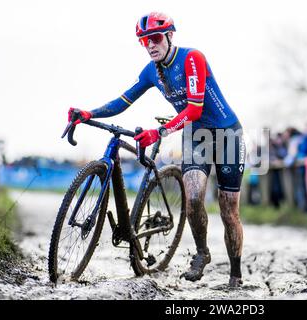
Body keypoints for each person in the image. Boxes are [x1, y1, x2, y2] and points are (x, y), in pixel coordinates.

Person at [67, 12, 245, 287]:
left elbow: (195, 109)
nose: (150, 45)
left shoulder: (191, 58)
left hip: (226, 133)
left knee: (228, 209)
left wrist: (159, 132)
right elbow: (123, 101)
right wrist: (89, 113)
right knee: (194, 197)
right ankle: (202, 253)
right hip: (196, 134)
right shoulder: (152, 71)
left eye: (155, 38)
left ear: (170, 36)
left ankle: (235, 275)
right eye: (143, 41)